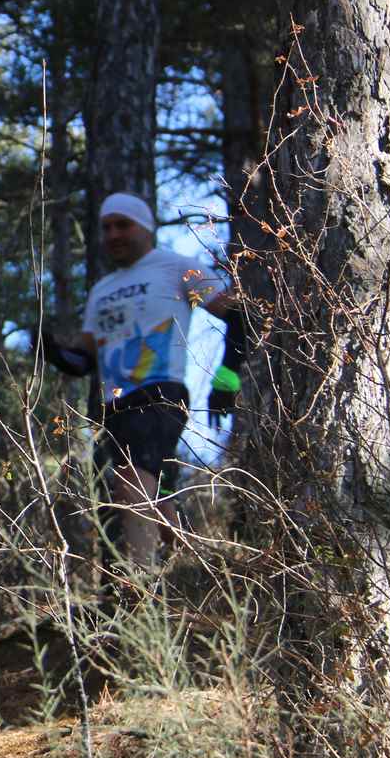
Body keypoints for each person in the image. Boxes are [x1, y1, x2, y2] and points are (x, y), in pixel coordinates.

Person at [38, 192, 246, 574]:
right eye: (106, 228)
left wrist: (226, 378)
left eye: (123, 224)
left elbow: (237, 316)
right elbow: (83, 360)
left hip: (161, 393)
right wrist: (50, 348)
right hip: (113, 407)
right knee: (150, 499)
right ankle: (205, 572)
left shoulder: (177, 268)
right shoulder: (101, 290)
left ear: (146, 227)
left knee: (131, 484)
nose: (114, 234)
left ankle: (135, 589)